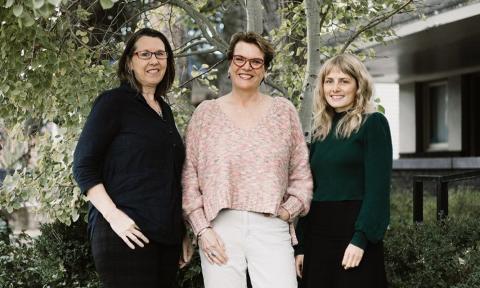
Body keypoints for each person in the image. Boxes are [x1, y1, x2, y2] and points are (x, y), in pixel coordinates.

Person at [182, 31, 313, 288]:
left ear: (265, 70)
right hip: (219, 228)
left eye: (256, 62)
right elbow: (189, 180)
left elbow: (301, 175)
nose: (247, 67)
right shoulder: (206, 115)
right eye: (240, 59)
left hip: (271, 225)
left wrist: (289, 210)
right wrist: (202, 230)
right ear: (230, 63)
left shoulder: (283, 112)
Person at [73, 28, 192, 288]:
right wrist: (115, 218)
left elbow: (170, 177)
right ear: (130, 61)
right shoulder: (113, 103)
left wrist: (182, 231)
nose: (154, 61)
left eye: (160, 54)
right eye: (145, 53)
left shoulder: (165, 111)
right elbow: (83, 166)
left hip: (165, 236)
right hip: (124, 232)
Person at [294, 53, 392, 288]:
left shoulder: (373, 124)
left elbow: (378, 191)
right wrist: (302, 246)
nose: (335, 88)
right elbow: (311, 191)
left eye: (344, 81)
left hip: (354, 233)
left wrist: (361, 239)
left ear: (359, 86)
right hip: (318, 236)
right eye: (329, 81)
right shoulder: (320, 132)